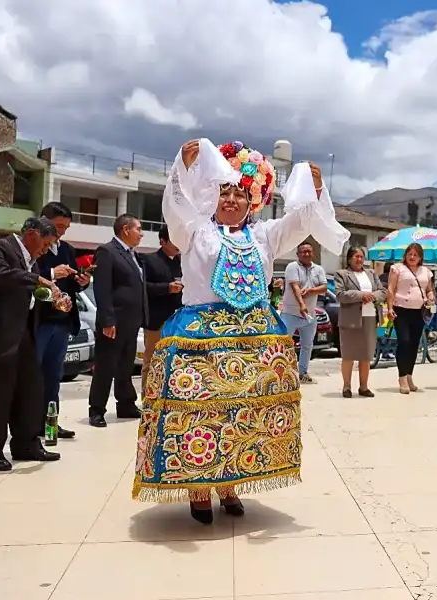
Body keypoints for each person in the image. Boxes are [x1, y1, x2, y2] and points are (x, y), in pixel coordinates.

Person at [132, 139, 348, 523]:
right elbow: (175, 203)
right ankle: (199, 489)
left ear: (253, 202)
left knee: (242, 414)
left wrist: (315, 188)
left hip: (253, 337)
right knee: (199, 412)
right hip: (201, 335)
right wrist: (183, 165)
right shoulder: (194, 230)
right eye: (223, 192)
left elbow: (301, 220)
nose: (231, 200)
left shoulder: (265, 235)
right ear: (212, 197)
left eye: (239, 194)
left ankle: (231, 482)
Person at [0, 217, 64, 471]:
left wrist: (55, 300)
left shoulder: (32, 262)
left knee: (30, 389)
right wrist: (37, 280)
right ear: (31, 233)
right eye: (46, 243)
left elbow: (25, 296)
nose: (46, 249)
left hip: (23, 332)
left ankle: (26, 444)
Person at [33, 202, 91, 440]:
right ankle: (28, 425)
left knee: (53, 377)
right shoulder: (34, 248)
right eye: (58, 226)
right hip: (40, 321)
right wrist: (51, 274)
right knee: (33, 375)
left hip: (62, 321)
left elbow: (72, 282)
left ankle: (50, 425)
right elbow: (30, 277)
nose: (62, 232)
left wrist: (82, 281)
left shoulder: (66, 249)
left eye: (66, 227)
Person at [88, 214, 147, 427]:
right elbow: (102, 288)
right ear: (125, 229)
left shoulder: (133, 255)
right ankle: (96, 410)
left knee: (125, 366)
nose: (141, 234)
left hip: (131, 322)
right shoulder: (107, 252)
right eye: (138, 229)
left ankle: (125, 404)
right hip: (113, 322)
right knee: (106, 367)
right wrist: (107, 320)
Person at [335, 246, 386, 398]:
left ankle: (364, 387)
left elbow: (383, 291)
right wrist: (360, 295)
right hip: (350, 319)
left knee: (366, 354)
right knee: (349, 354)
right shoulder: (342, 274)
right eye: (356, 256)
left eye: (361, 257)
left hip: (370, 317)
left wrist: (372, 296)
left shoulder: (371, 273)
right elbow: (340, 294)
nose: (359, 259)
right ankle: (346, 386)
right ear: (349, 259)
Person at [386, 242, 435, 394]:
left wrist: (431, 296)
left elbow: (429, 289)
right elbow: (391, 288)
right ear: (405, 255)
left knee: (414, 344)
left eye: (415, 254)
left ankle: (409, 376)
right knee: (404, 341)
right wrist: (389, 307)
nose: (412, 257)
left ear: (420, 257)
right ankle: (401, 377)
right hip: (401, 310)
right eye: (410, 254)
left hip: (418, 311)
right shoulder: (397, 268)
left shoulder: (426, 271)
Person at [141, 225, 183, 395]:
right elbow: (143, 287)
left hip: (179, 319)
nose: (177, 244)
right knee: (151, 359)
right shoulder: (149, 260)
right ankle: (147, 396)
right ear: (163, 241)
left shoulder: (183, 261)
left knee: (175, 359)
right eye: (174, 240)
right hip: (157, 319)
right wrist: (167, 288)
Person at [280, 242, 327, 383]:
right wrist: (301, 305)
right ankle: (282, 372)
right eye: (303, 252)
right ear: (298, 254)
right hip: (290, 313)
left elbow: (324, 287)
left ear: (313, 253)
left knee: (307, 345)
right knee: (283, 344)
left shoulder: (318, 269)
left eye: (309, 251)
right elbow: (295, 287)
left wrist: (312, 290)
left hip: (310, 314)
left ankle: (303, 373)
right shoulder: (292, 267)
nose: (306, 254)